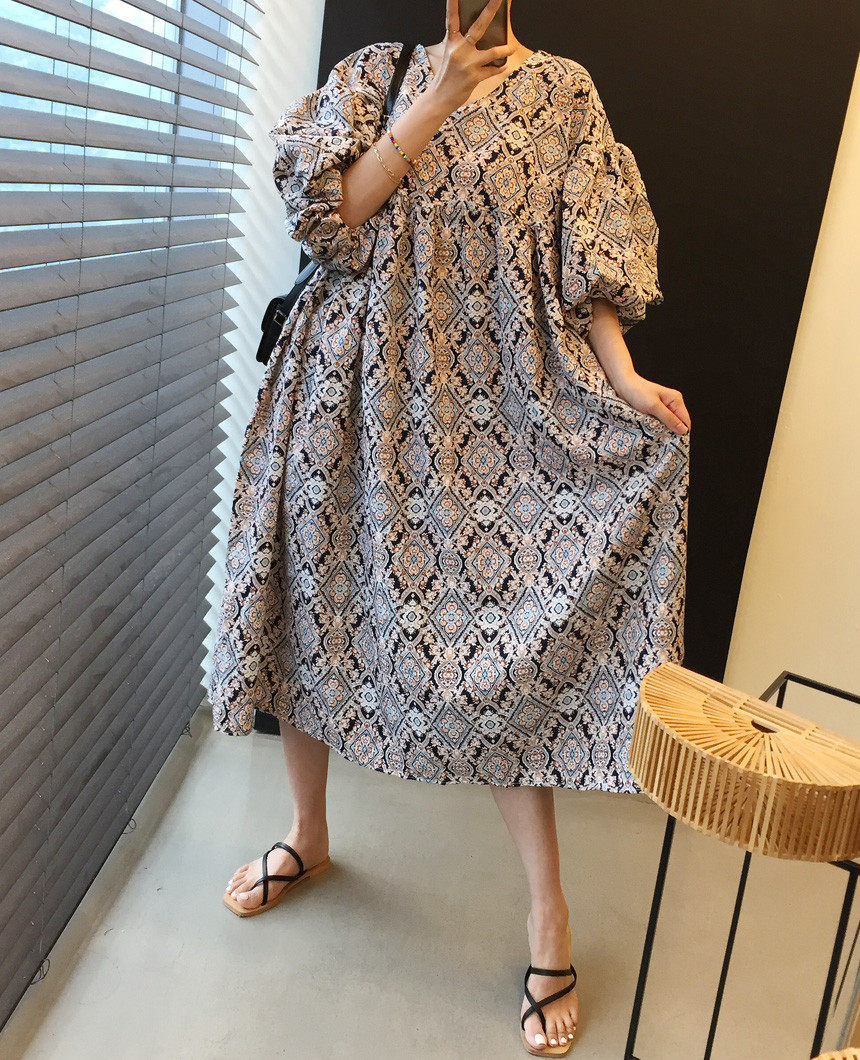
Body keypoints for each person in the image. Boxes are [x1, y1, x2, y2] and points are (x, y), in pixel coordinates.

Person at [211, 0, 691, 1052]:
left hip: (486, 410)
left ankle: (548, 916)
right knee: (309, 612)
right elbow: (328, 219)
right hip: (344, 391)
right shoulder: (374, 75)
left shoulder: (563, 94)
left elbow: (587, 262)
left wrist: (622, 377)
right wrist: (433, 100)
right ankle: (307, 832)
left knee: (499, 650)